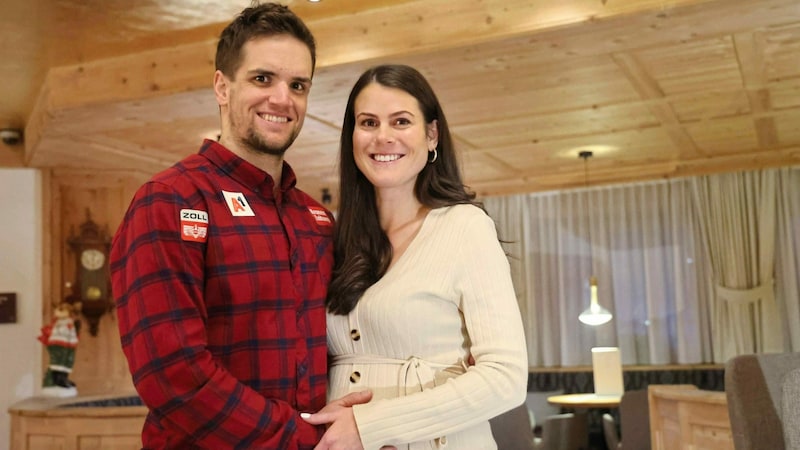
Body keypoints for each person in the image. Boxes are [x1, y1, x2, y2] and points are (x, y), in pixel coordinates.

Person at [110, 3, 369, 448]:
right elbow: (174, 375)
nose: (282, 99)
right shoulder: (170, 201)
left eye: (298, 85)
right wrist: (303, 440)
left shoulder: (317, 221)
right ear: (222, 86)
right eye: (262, 79)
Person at [303, 64, 529, 449]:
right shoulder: (336, 238)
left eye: (401, 121)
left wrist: (371, 425)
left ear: (431, 134)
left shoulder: (464, 227)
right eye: (368, 122)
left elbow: (506, 378)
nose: (383, 136)